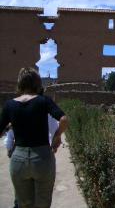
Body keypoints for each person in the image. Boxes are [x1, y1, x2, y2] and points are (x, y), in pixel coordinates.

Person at [0, 67, 68, 208]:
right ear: (37, 83)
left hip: (19, 158)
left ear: (20, 83)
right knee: (42, 203)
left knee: (23, 203)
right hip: (42, 157)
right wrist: (57, 136)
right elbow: (64, 119)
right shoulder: (44, 101)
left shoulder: (9, 105)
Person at [4, 115, 59, 208]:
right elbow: (57, 129)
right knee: (42, 196)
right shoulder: (47, 110)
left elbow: (9, 135)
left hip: (20, 155)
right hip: (43, 155)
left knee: (21, 195)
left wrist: (9, 148)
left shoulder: (16, 107)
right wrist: (54, 144)